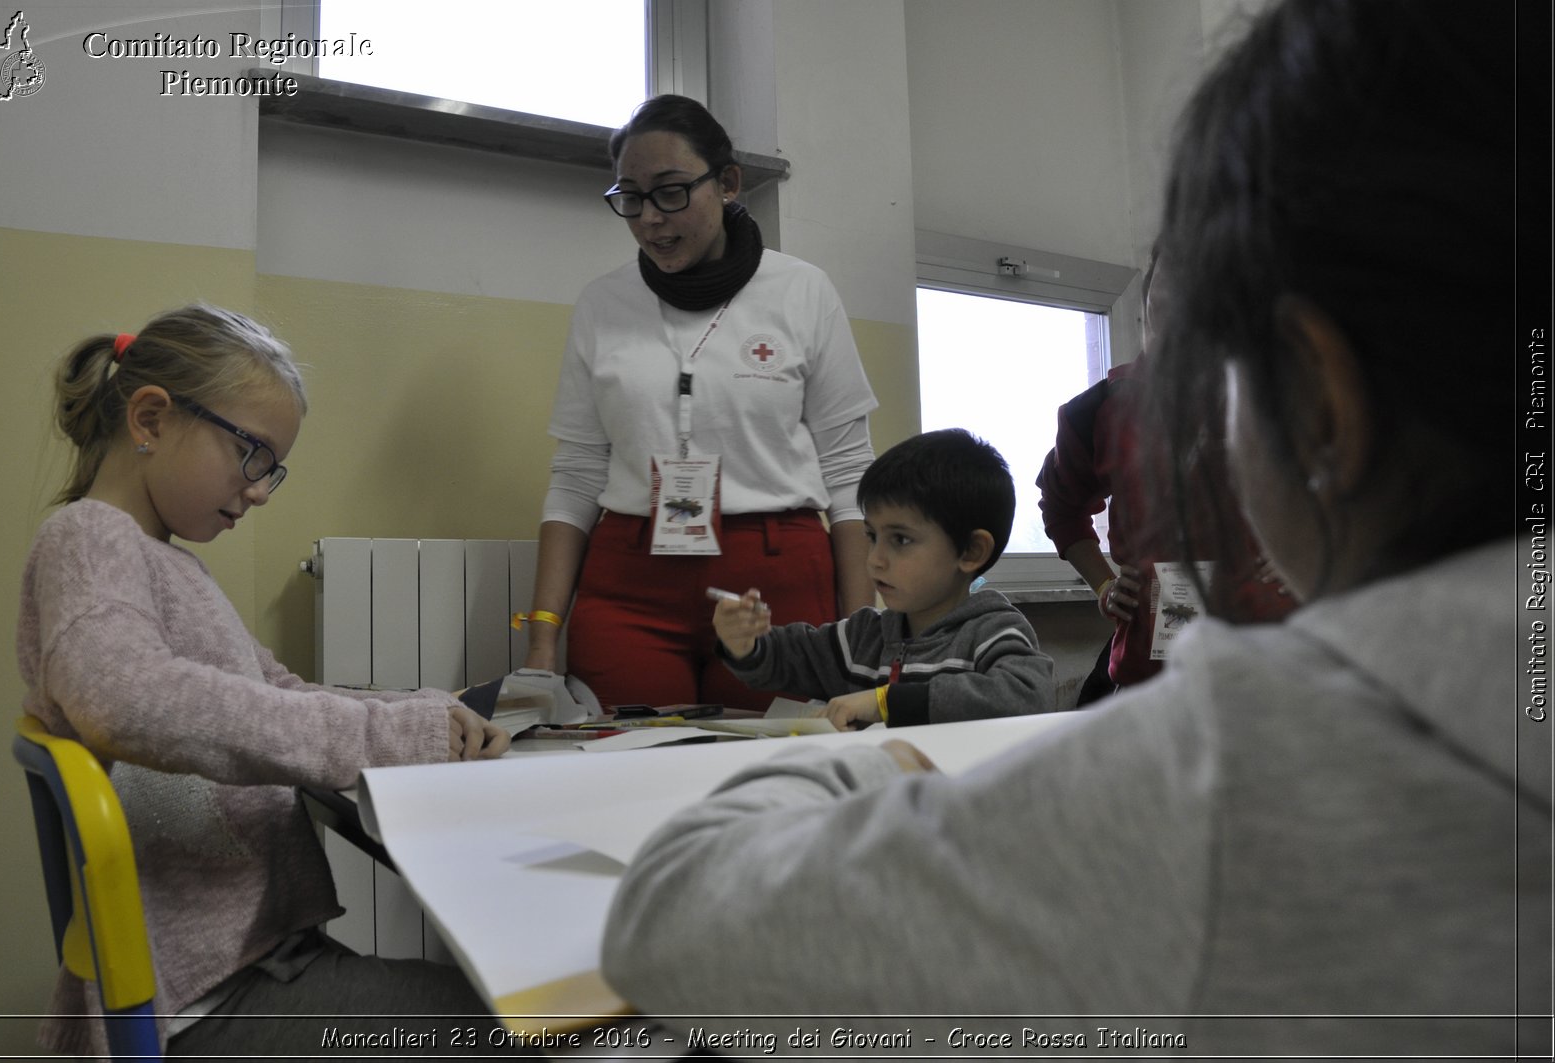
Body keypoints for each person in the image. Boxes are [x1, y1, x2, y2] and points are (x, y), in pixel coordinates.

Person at [601, 1, 1542, 1054]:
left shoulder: (1237, 782)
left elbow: (673, 922)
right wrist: (770, 649)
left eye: (1200, 375)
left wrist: (867, 752)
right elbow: (816, 651)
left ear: (1316, 406)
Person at [17, 306, 516, 1059]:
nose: (260, 491)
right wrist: (389, 734)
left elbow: (277, 686)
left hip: (254, 971)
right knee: (541, 1020)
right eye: (252, 454)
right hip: (215, 1000)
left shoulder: (168, 562)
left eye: (271, 468)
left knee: (525, 1005)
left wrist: (421, 711)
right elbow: (128, 699)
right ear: (150, 416)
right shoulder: (87, 538)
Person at [522, 94, 879, 712]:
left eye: (670, 191)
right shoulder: (604, 304)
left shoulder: (801, 291)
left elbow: (848, 473)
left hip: (775, 577)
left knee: (769, 772)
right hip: (632, 580)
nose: (650, 218)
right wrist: (541, 641)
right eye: (629, 198)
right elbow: (577, 474)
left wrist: (864, 637)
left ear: (729, 183)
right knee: (628, 766)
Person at [1037, 248, 1295, 706]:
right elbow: (1061, 508)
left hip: (1272, 644)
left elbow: (1349, 493)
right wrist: (1103, 585)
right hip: (1159, 643)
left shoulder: (1283, 401)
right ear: (1144, 314)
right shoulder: (1100, 411)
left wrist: (1298, 552)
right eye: (1162, 318)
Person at [713, 428, 1055, 728]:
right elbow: (790, 656)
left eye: (900, 540)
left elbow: (1027, 697)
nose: (874, 560)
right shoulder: (863, 636)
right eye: (872, 536)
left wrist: (884, 702)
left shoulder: (992, 632)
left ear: (971, 552)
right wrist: (746, 644)